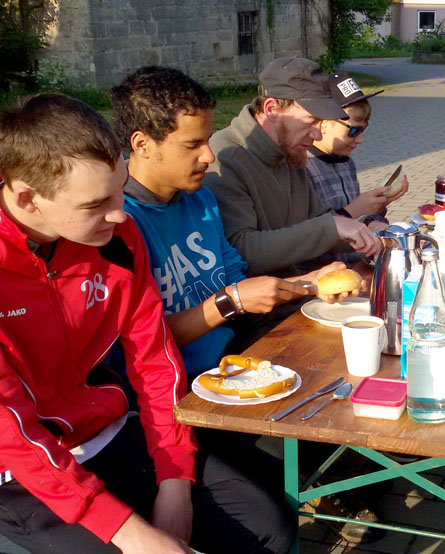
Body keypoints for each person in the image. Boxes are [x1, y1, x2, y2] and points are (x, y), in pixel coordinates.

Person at [0, 94, 294, 554]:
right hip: (19, 470)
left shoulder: (117, 237)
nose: (119, 214)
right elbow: (10, 430)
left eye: (120, 189)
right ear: (26, 197)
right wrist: (130, 532)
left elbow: (154, 358)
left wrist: (175, 480)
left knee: (268, 528)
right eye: (97, 204)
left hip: (109, 430)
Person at [111, 65, 361, 377]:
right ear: (142, 144)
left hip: (230, 363)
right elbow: (138, 340)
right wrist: (229, 301)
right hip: (172, 385)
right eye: (193, 145)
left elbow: (238, 284)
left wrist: (312, 283)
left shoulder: (200, 199)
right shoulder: (117, 223)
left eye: (207, 140)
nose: (208, 156)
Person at [205, 56, 382, 277]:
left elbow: (319, 218)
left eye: (321, 122)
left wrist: (365, 228)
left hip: (298, 288)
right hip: (262, 297)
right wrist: (332, 228)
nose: (317, 135)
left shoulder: (289, 149)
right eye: (311, 121)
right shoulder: (224, 158)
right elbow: (241, 250)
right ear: (272, 108)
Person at [306, 71, 409, 263]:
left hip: (357, 263)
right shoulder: (301, 167)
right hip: (323, 272)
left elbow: (357, 220)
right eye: (354, 130)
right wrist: (353, 211)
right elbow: (305, 237)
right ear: (323, 123)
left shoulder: (346, 163)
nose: (360, 139)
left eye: (364, 129)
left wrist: (376, 208)